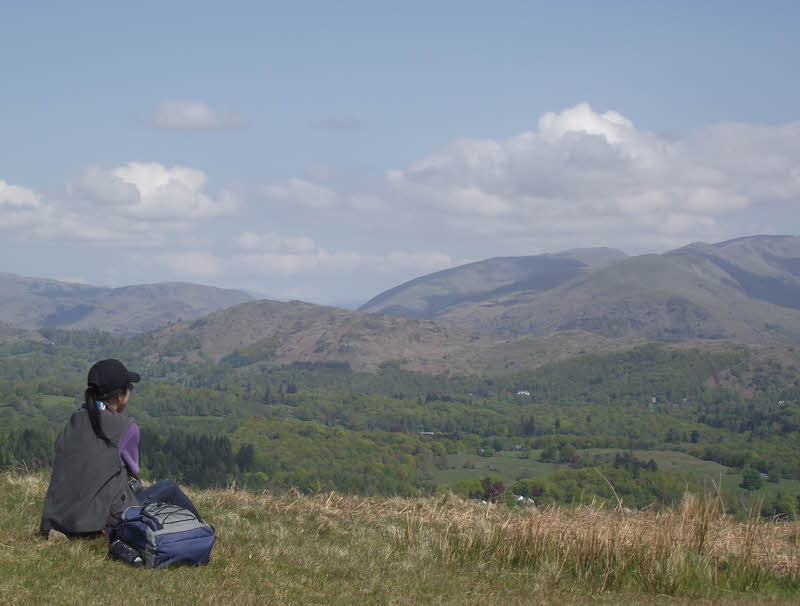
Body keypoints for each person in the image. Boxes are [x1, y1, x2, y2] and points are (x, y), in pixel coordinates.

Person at [40, 359, 200, 539]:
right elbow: (133, 470)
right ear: (120, 396)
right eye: (129, 388)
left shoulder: (74, 420)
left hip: (57, 519)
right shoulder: (126, 428)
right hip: (98, 523)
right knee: (168, 488)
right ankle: (204, 533)